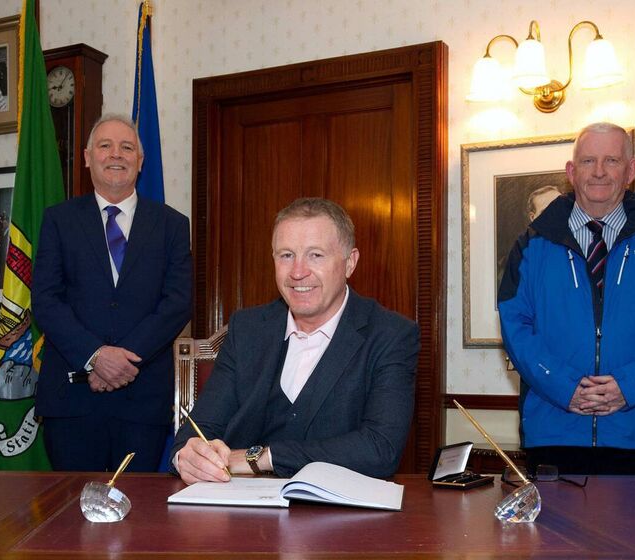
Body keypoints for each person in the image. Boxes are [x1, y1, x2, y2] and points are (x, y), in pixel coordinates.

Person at [497, 122, 635, 475]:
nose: (598, 172)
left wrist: (628, 387)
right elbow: (515, 326)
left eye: (611, 160)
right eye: (588, 160)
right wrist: (565, 388)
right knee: (552, 534)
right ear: (571, 171)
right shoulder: (531, 246)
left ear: (631, 171)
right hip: (554, 433)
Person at [172, 197, 419, 484]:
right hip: (239, 511)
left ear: (350, 263)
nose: (298, 272)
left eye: (316, 255)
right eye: (286, 255)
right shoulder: (248, 329)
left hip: (339, 517)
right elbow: (197, 432)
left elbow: (380, 448)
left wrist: (262, 457)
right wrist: (188, 457)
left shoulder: (389, 334)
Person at [30, 113, 192, 472]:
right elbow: (45, 300)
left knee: (139, 516)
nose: (116, 154)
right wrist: (95, 356)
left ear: (140, 160)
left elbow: (178, 303)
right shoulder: (58, 221)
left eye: (127, 147)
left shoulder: (172, 225)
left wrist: (121, 360)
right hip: (71, 401)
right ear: (87, 157)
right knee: (69, 514)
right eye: (105, 146)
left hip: (142, 401)